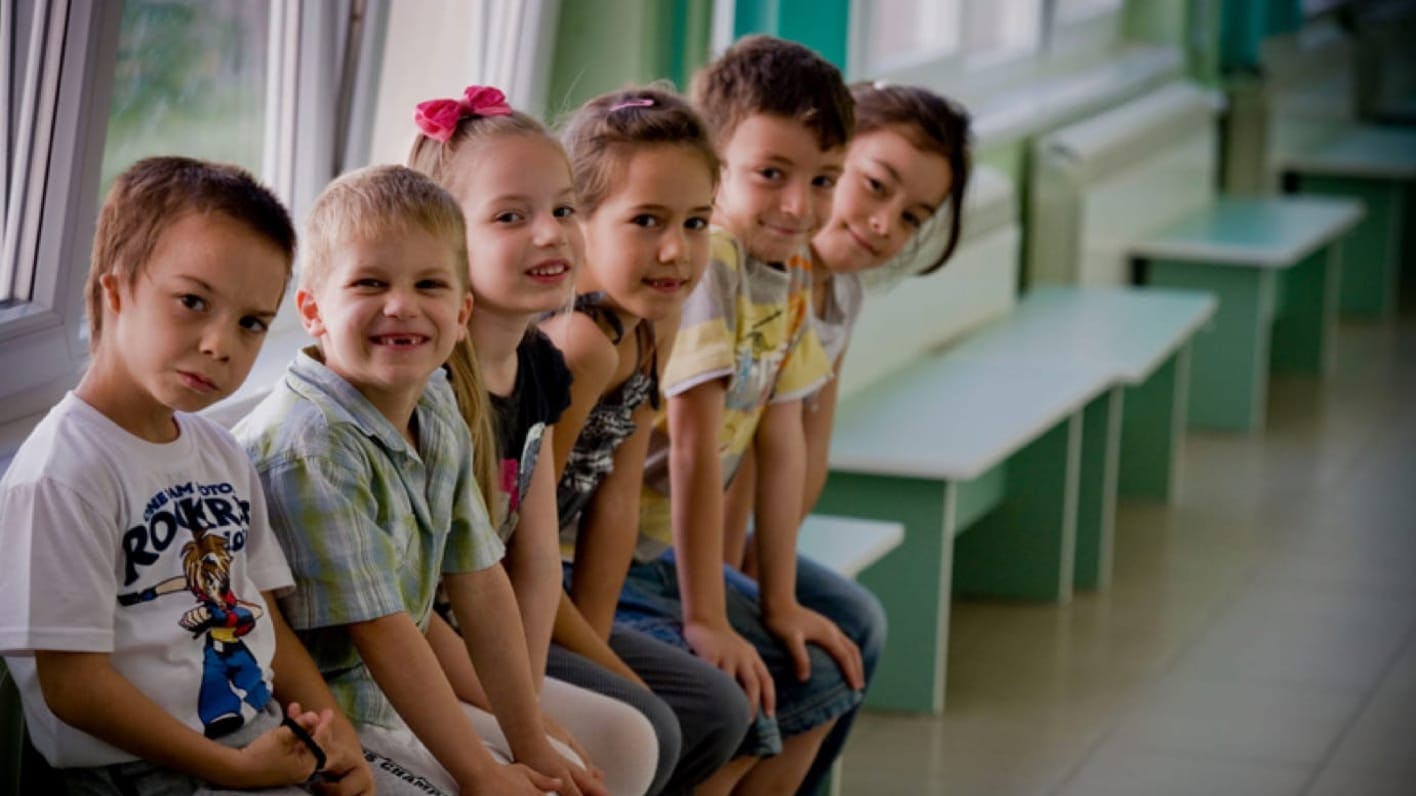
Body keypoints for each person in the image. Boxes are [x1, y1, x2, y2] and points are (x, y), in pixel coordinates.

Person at [0, 156, 374, 794]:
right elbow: (74, 689)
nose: (220, 344)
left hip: (253, 735)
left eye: (251, 322)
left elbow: (266, 620)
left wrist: (334, 735)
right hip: (137, 773)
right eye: (193, 302)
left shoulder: (218, 451)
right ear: (115, 293)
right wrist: (232, 768)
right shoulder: (62, 474)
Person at [236, 164, 578, 794]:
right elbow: (383, 633)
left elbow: (478, 579)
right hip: (312, 721)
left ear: (461, 311)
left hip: (387, 701)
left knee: (597, 756)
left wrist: (531, 740)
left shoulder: (436, 399)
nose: (402, 306)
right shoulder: (311, 446)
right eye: (370, 282)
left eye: (430, 284)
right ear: (312, 310)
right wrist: (482, 773)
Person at [624, 35, 874, 795]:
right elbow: (697, 450)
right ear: (716, 166)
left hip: (679, 556)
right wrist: (711, 616)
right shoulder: (709, 263)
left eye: (825, 179)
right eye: (772, 174)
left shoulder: (790, 266)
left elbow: (782, 433)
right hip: (624, 554)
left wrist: (780, 598)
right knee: (745, 709)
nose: (801, 206)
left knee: (829, 665)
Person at [407, 85, 658, 796]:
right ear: (444, 238)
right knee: (614, 745)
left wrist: (529, 697)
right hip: (419, 658)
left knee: (638, 735)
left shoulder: (541, 363)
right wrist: (523, 716)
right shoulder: (429, 391)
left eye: (562, 209)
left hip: (495, 645)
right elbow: (408, 609)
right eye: (511, 217)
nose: (550, 234)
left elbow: (539, 560)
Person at [728, 81, 972, 795]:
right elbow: (733, 453)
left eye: (912, 216)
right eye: (873, 186)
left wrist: (765, 566)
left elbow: (810, 445)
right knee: (797, 667)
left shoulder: (842, 292)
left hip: (745, 539)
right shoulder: (763, 274)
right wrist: (736, 591)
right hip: (688, 544)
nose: (883, 224)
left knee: (857, 619)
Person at [538, 85, 752, 795]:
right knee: (653, 723)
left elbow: (616, 504)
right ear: (576, 221)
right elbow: (521, 542)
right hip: (496, 606)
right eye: (647, 221)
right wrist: (609, 678)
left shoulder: (648, 324)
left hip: (552, 596)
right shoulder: (577, 345)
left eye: (696, 223)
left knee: (720, 711)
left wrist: (598, 656)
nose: (676, 251)